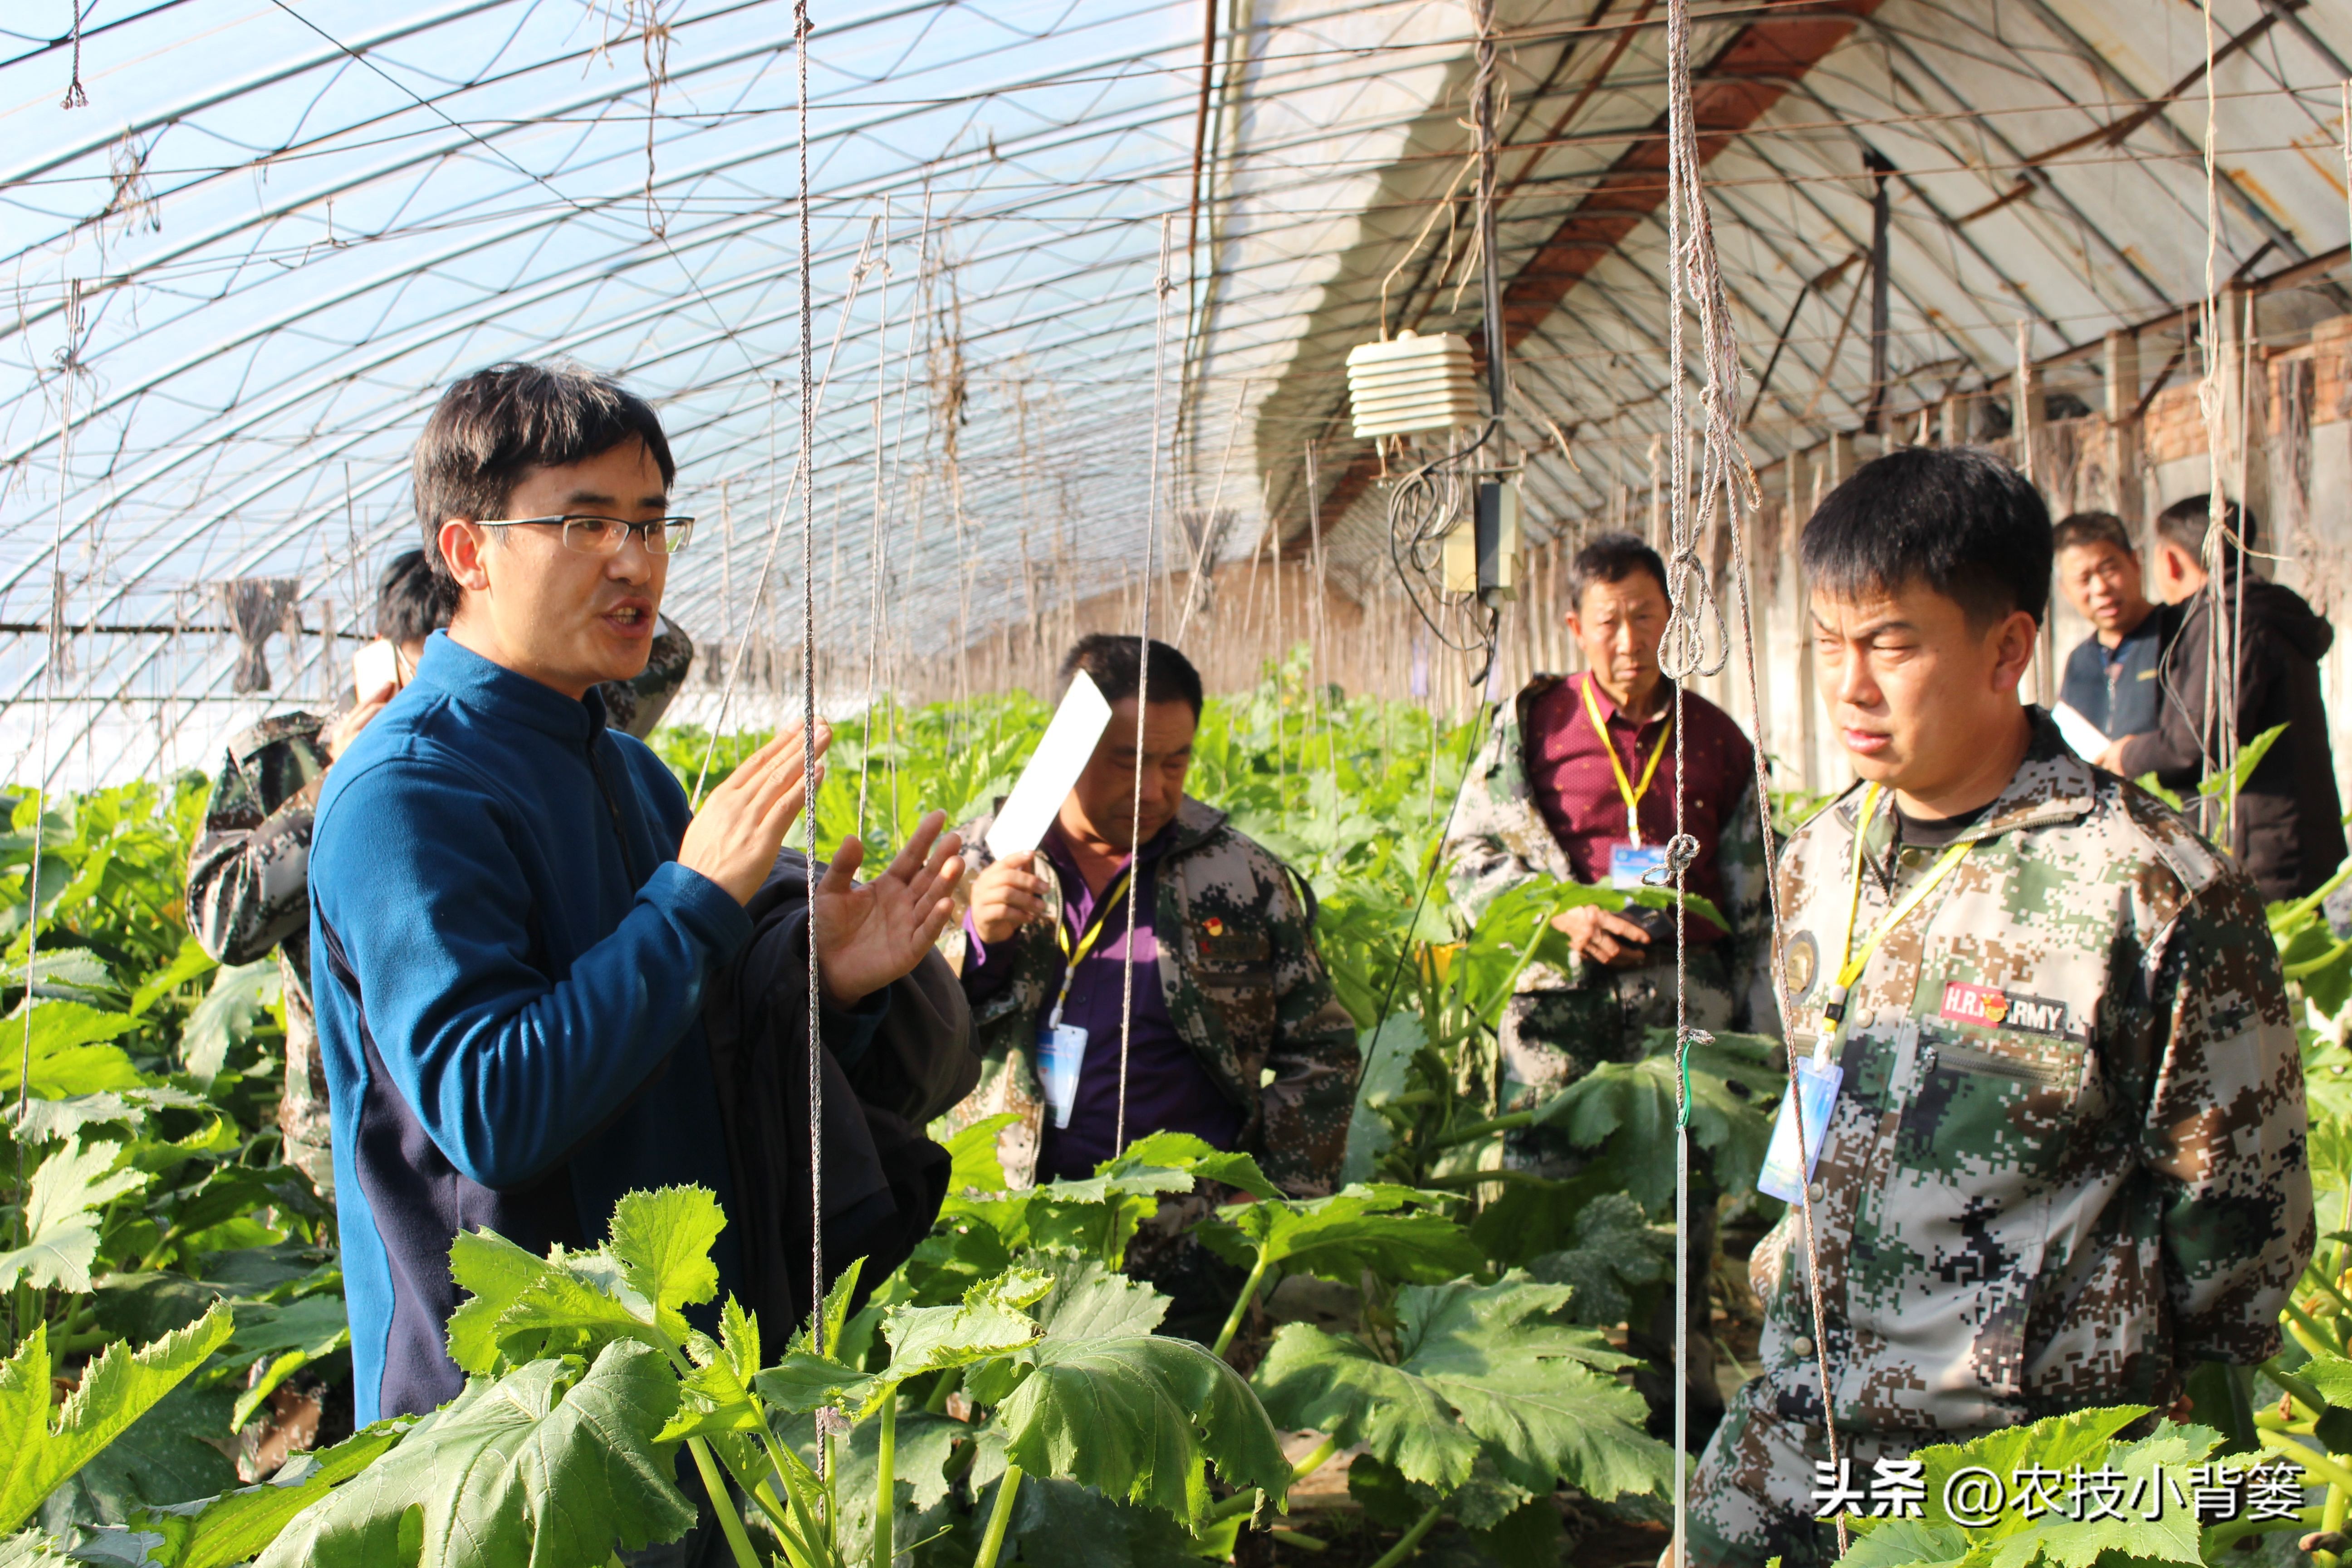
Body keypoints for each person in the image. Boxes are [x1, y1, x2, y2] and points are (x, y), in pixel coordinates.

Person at [307, 361, 964, 1431]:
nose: (635, 561)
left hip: (684, 1390)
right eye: (586, 522)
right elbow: (494, 1108)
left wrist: (828, 982)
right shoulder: (404, 794)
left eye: (653, 524)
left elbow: (700, 1062)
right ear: (468, 550)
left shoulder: (630, 773)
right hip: (519, 1419)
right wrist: (695, 900)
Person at [1686, 447, 2310, 1568]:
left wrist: (2100, 1379)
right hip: (1801, 1415)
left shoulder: (2148, 885)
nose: (1849, 686)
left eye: (1891, 642)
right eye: (1830, 642)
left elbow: (2237, 1222)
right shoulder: (1823, 856)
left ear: (2008, 647)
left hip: (2018, 1467)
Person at [187, 554, 697, 1199]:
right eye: (419, 655)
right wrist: (340, 779)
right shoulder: (282, 758)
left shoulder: (542, 725)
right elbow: (219, 919)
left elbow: (666, 650)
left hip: (553, 1098)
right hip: (358, 1137)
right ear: (379, 653)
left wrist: (543, 587)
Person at [1441, 530, 1772, 1441]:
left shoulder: (1716, 740)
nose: (1629, 642)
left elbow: (1755, 900)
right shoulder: (1531, 728)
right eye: (1609, 622)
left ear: (1671, 619)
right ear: (1575, 626)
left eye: (1646, 618)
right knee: (1548, 1190)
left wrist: (1765, 1030)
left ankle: (1678, 1394)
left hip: (1681, 1001)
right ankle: (1557, 1391)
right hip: (1562, 1007)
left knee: (1682, 1193)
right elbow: (1465, 853)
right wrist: (1562, 913)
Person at [944, 635, 1359, 1202]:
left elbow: (1321, 1047)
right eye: (1128, 761)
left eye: (1176, 761)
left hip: (1190, 1239)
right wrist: (978, 942)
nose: (1154, 790)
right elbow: (899, 1037)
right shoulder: (970, 864)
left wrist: (1274, 1193)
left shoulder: (1244, 878)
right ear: (1065, 748)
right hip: (1005, 1229)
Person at [2100, 495, 2344, 903]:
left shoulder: (2229, 619)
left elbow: (2199, 740)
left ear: (2172, 561)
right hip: (2289, 835)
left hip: (2265, 851)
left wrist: (2128, 755)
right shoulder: (2253, 610)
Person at [2051, 510, 2164, 744]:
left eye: (2109, 570)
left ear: (2135, 563)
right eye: (2083, 580)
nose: (2101, 588)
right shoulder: (2079, 662)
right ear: (2065, 591)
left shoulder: (2175, 634)